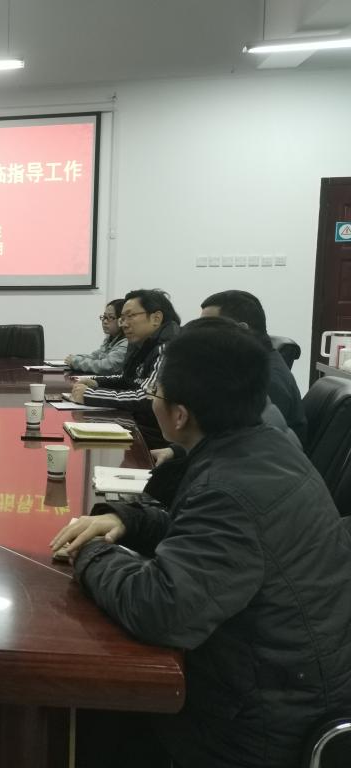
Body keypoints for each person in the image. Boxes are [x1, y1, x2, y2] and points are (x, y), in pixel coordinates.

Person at [51, 317, 351, 768]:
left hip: (258, 726)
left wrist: (90, 552)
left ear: (179, 415)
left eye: (156, 393)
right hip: (280, 683)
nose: (153, 400)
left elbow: (161, 609)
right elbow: (201, 531)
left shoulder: (231, 488)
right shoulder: (264, 446)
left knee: (88, 714)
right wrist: (127, 520)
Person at [69, 289, 180, 448]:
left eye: (130, 316)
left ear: (156, 318)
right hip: (136, 425)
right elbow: (127, 378)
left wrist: (90, 394)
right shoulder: (143, 343)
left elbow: (147, 397)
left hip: (155, 438)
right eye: (122, 318)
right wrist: (95, 382)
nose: (124, 324)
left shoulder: (168, 348)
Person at [200, 289, 307, 445]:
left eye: (208, 328)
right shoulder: (246, 369)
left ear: (241, 329)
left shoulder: (267, 382)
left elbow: (245, 445)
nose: (200, 335)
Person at [65, 299, 128, 374]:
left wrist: (76, 362)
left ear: (122, 320)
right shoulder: (110, 339)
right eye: (104, 317)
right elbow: (95, 356)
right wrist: (75, 357)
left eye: (111, 317)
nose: (105, 321)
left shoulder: (126, 343)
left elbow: (107, 366)